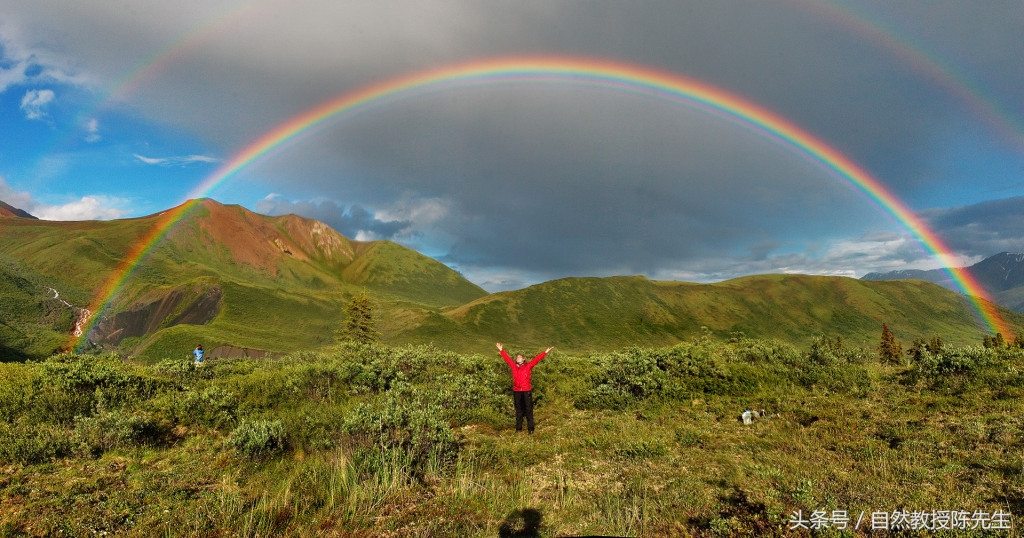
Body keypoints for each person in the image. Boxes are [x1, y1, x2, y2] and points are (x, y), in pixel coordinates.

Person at [496, 342, 553, 434]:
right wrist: (501, 350)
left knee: (528, 409)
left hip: (526, 391)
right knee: (518, 410)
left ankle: (531, 429)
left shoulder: (528, 366)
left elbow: (536, 360)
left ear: (523, 359)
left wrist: (545, 352)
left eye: (519, 357)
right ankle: (518, 429)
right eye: (517, 357)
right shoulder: (514, 367)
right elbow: (507, 359)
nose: (517, 358)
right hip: (517, 391)